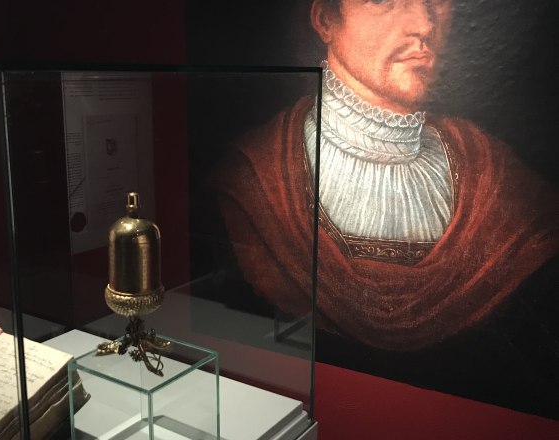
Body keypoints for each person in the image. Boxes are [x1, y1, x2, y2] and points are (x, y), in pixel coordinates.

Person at [211, 0, 559, 416]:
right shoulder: (254, 178)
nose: (423, 25)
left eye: (438, 3)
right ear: (325, 19)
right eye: (385, 1)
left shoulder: (498, 176)